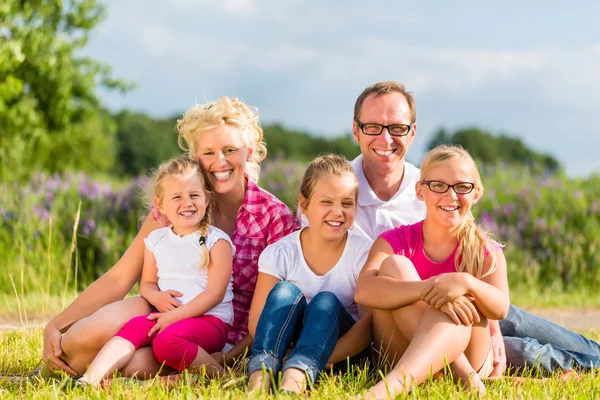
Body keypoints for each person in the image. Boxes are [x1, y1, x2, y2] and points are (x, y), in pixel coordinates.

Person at [348, 80, 600, 376]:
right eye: (374, 127)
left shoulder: (433, 179)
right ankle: (466, 374)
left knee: (511, 323)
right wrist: (429, 290)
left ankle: (592, 356)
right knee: (525, 353)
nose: (386, 138)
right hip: (395, 317)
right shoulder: (338, 192)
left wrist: (489, 321)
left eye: (398, 128)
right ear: (356, 130)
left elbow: (464, 238)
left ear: (412, 132)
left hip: (464, 309)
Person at [41, 96, 298, 378]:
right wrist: (57, 323)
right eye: (208, 152)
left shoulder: (275, 218)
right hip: (165, 308)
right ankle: (69, 372)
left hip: (222, 334)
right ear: (195, 158)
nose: (219, 161)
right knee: (80, 337)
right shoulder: (176, 207)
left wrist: (229, 358)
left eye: (229, 150)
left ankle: (134, 375)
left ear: (248, 152)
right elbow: (120, 277)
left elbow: (277, 312)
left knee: (134, 363)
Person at [355, 144, 510, 398]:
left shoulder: (486, 251)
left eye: (462, 186)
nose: (450, 195)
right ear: (419, 190)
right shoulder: (395, 241)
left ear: (476, 193)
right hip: (401, 352)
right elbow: (364, 292)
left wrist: (466, 282)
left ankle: (387, 390)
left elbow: (501, 308)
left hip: (473, 355)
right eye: (438, 185)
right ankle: (465, 380)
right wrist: (427, 290)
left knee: (458, 302)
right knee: (396, 266)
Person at [77, 156, 234, 386]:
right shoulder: (156, 240)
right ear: (160, 205)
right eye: (177, 197)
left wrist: (175, 316)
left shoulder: (217, 242)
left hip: (210, 321)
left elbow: (215, 294)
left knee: (166, 341)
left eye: (194, 195)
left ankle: (219, 376)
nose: (187, 202)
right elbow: (147, 285)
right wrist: (157, 297)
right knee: (133, 327)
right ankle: (90, 378)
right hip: (168, 317)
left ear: (206, 198)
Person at [247, 154, 373, 394]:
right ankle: (260, 379)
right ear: (304, 205)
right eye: (327, 202)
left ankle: (294, 380)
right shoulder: (280, 253)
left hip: (339, 355)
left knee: (325, 301)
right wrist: (287, 354)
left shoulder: (364, 252)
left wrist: (317, 356)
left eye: (347, 203)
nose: (337, 212)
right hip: (287, 347)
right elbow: (257, 323)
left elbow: (368, 326)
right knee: (285, 291)